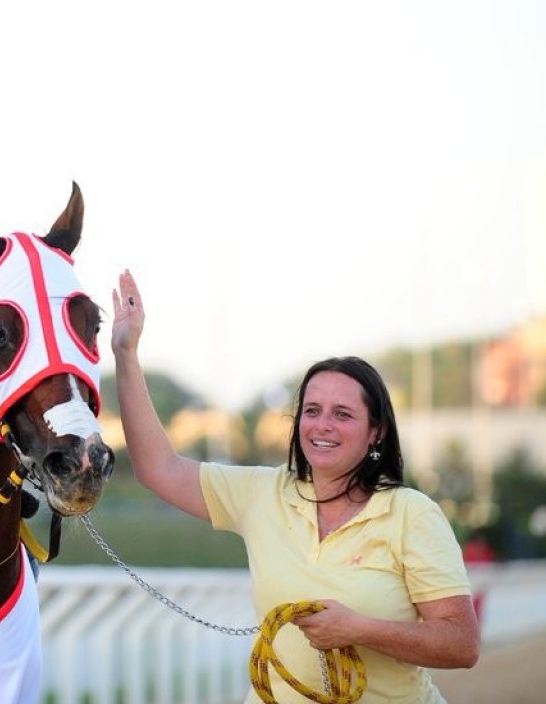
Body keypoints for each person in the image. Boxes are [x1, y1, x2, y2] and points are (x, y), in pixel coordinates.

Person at [109, 269, 480, 703]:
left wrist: (358, 629)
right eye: (312, 410)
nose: (322, 426)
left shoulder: (411, 514)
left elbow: (462, 644)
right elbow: (159, 469)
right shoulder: (262, 492)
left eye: (343, 414)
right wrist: (126, 353)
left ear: (375, 432)